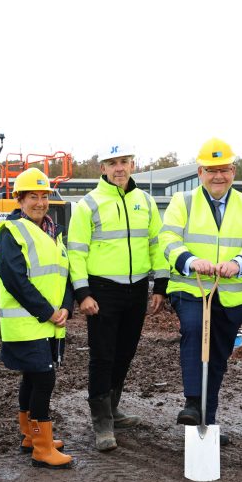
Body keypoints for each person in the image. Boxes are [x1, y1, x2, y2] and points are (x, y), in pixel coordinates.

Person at [160, 138, 242, 444]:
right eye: (211, 170)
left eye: (223, 169)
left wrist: (239, 263)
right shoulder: (183, 202)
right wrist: (191, 261)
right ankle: (193, 402)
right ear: (200, 172)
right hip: (190, 288)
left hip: (231, 293)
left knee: (218, 355)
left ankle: (205, 421)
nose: (218, 176)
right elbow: (168, 237)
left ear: (233, 171)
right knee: (195, 330)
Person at [67, 143, 168, 451]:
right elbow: (76, 251)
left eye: (124, 161)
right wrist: (82, 293)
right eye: (113, 163)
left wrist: (160, 285)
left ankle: (113, 407)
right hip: (103, 290)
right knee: (102, 355)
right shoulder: (89, 204)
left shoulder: (146, 202)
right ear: (103, 168)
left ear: (133, 165)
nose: (119, 168)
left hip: (137, 288)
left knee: (125, 352)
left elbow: (157, 243)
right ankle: (101, 421)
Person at [0, 168, 73, 469]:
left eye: (44, 196)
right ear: (20, 199)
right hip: (28, 323)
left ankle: (31, 436)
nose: (40, 202)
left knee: (32, 377)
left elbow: (63, 275)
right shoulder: (11, 232)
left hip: (50, 323)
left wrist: (66, 306)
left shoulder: (53, 233)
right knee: (44, 378)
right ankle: (42, 447)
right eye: (32, 196)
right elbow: (15, 280)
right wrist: (48, 312)